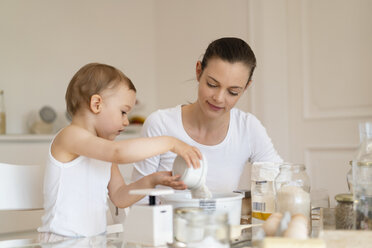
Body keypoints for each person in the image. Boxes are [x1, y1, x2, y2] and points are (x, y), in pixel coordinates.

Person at [37, 63, 202, 240]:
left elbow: (120, 196)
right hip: (61, 240)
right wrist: (170, 142)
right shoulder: (70, 136)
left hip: (94, 240)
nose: (126, 122)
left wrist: (152, 180)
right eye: (123, 112)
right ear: (96, 104)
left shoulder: (103, 151)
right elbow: (119, 153)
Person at [132, 37, 282, 193]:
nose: (218, 98)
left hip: (223, 218)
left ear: (245, 88)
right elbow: (137, 198)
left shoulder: (247, 128)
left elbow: (282, 180)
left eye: (233, 92)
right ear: (198, 71)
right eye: (212, 84)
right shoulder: (160, 124)